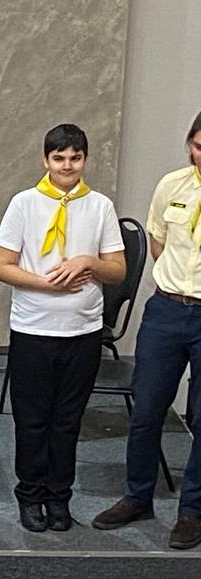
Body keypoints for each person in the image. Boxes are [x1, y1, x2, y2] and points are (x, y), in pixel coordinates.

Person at [0, 124, 125, 532]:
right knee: (32, 420)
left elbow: (117, 270)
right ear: (45, 160)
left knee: (68, 422)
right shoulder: (24, 203)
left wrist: (88, 262)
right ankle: (30, 494)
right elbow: (2, 265)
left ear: (85, 160)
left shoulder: (100, 206)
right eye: (59, 158)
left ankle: (59, 497)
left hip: (82, 331)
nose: (67, 166)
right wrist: (47, 283)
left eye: (75, 158)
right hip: (34, 329)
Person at [94, 110, 201, 549]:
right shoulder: (172, 186)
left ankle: (192, 510)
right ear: (190, 143)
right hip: (166, 311)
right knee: (146, 411)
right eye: (199, 146)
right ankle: (137, 496)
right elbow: (158, 244)